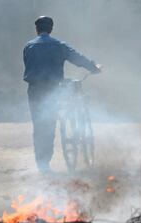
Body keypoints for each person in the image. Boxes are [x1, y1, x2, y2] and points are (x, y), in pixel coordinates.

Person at [23, 16, 101, 173]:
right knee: (51, 122)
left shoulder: (28, 46)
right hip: (53, 89)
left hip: (34, 90)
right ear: (51, 29)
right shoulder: (59, 45)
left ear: (37, 29)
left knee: (39, 126)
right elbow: (78, 58)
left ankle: (42, 163)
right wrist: (93, 67)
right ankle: (47, 160)